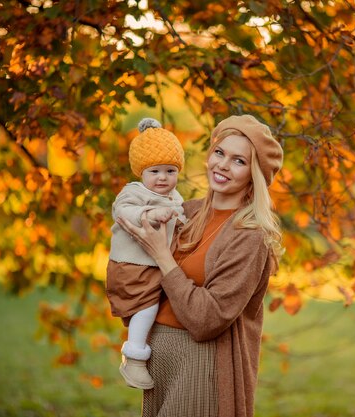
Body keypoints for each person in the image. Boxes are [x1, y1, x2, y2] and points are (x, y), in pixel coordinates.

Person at [116, 114, 284, 417]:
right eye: (219, 152)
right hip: (160, 363)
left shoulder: (249, 236)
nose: (222, 165)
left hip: (203, 366)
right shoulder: (184, 213)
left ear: (253, 174)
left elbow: (208, 318)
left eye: (239, 161)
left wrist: (162, 256)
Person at [106, 118, 187, 390]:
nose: (162, 178)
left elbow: (178, 216)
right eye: (155, 171)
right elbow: (122, 212)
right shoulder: (134, 193)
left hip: (150, 264)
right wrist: (149, 214)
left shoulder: (174, 197)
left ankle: (141, 352)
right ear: (141, 172)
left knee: (157, 303)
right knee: (146, 307)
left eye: (170, 170)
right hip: (130, 265)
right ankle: (134, 358)